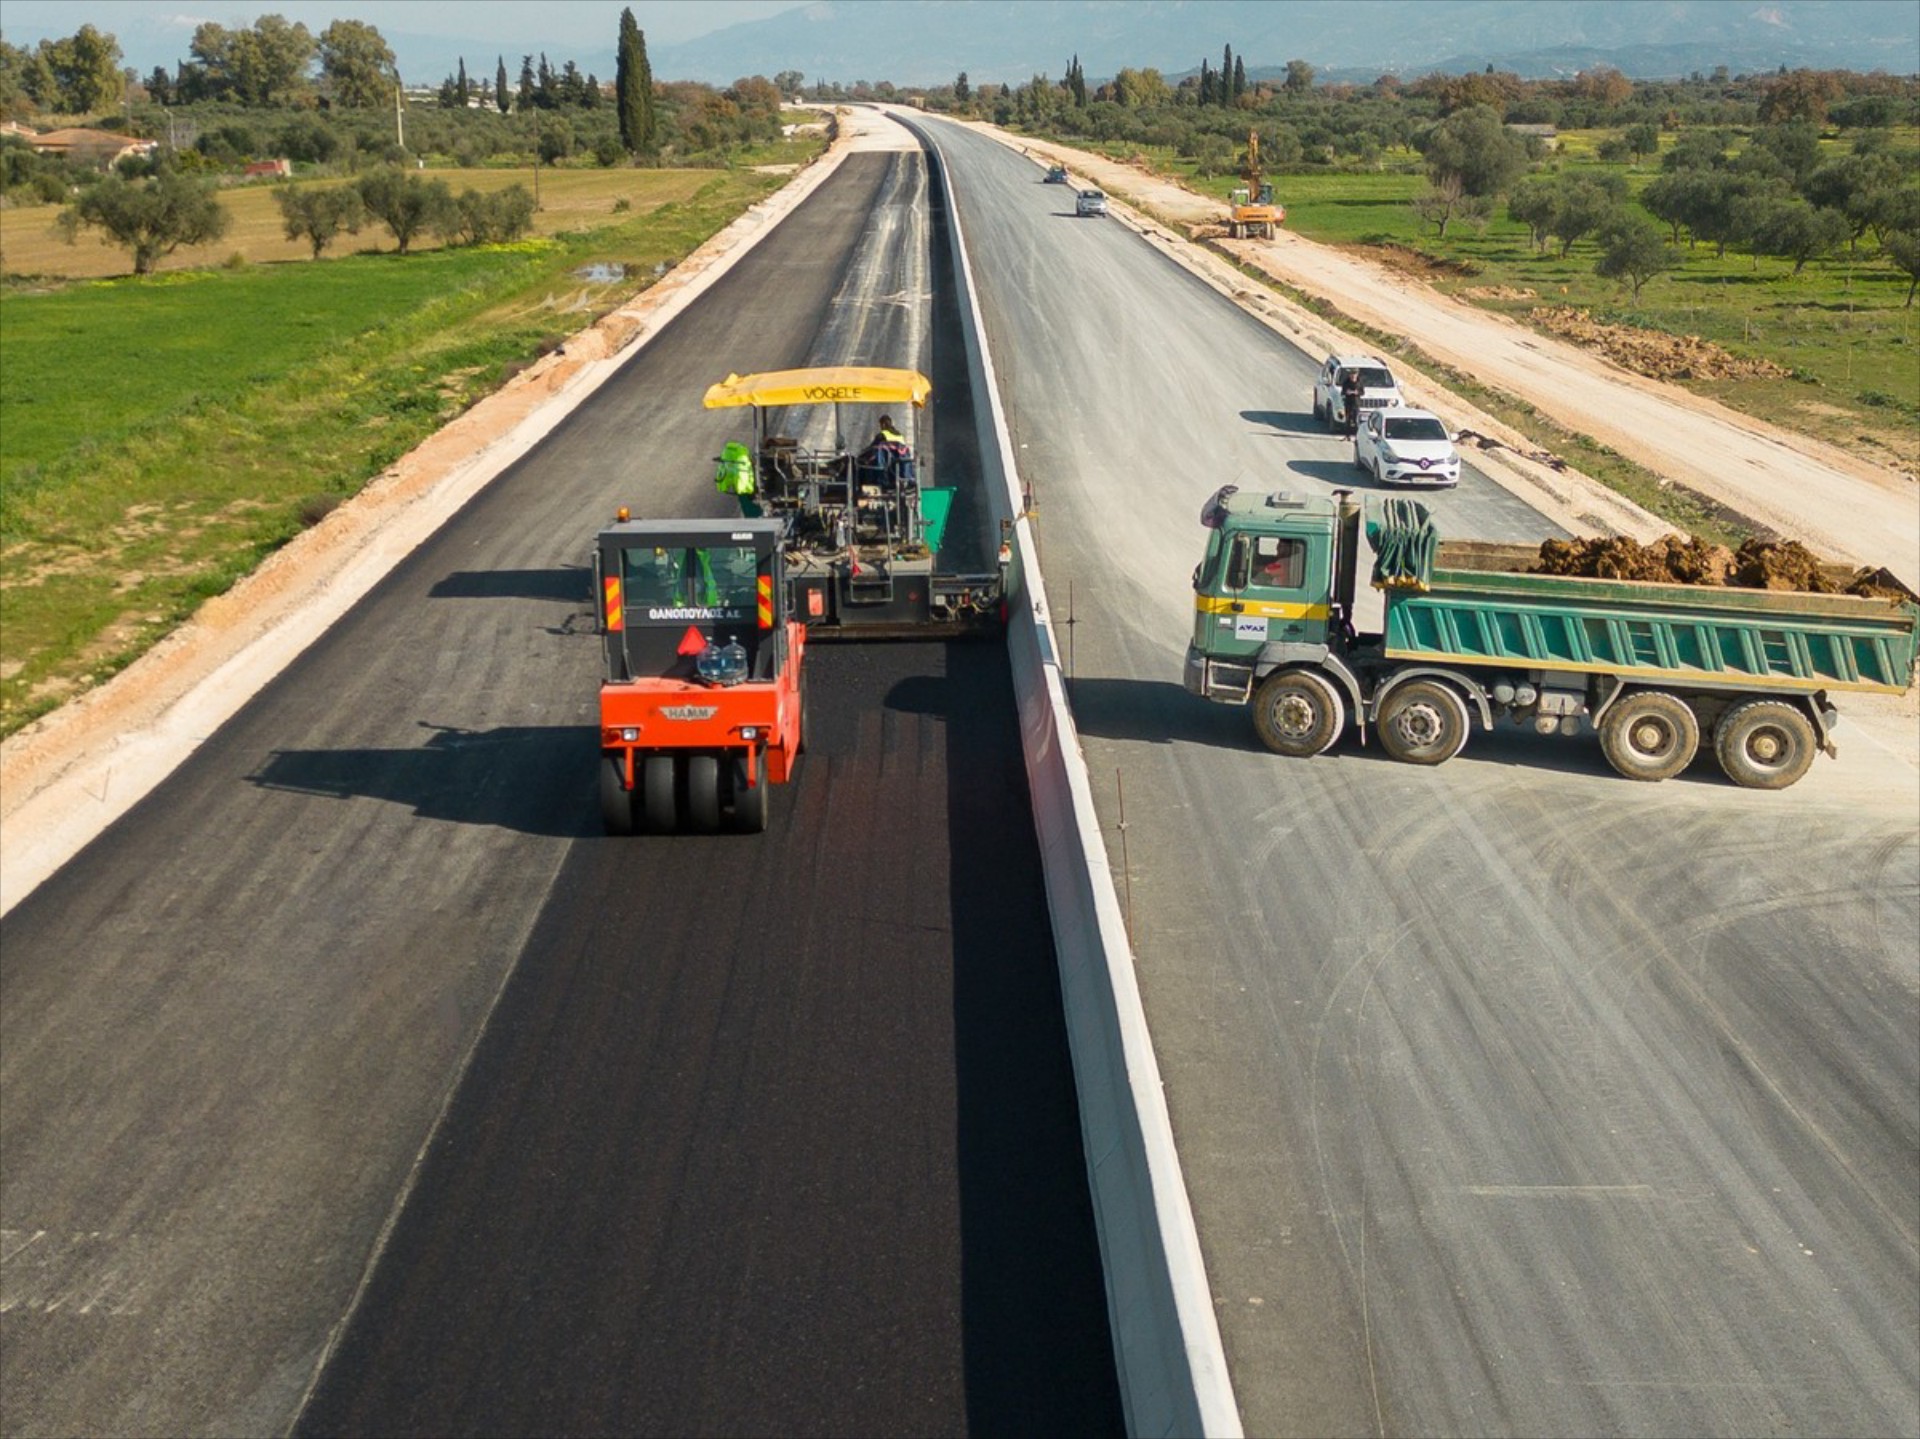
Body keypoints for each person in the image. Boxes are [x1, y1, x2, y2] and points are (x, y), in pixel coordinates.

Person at [1339, 367, 1363, 438]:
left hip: (1356, 404)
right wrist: (1347, 392)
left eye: (1354, 374)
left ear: (1357, 374)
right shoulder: (1346, 382)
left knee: (1356, 420)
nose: (1353, 376)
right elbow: (1342, 392)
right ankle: (1347, 435)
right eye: (1351, 374)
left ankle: (1356, 436)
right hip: (1348, 403)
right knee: (1348, 420)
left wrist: (1357, 392)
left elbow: (1362, 392)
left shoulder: (1359, 382)